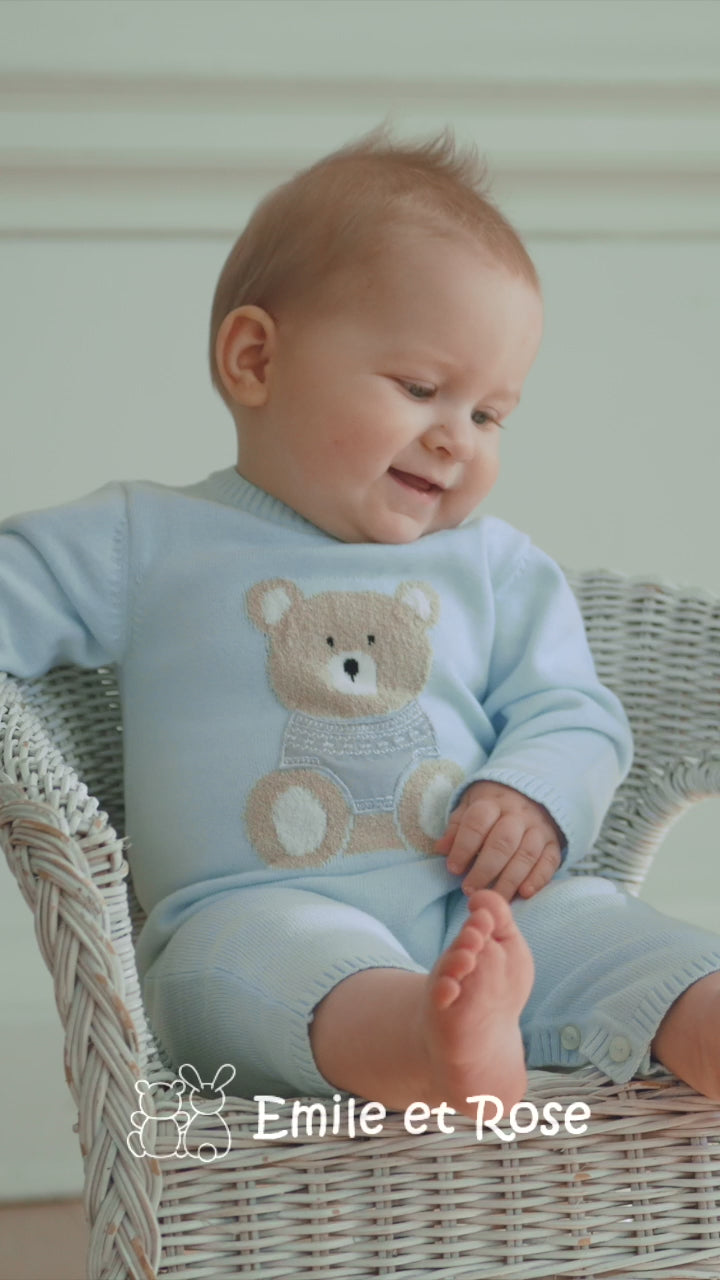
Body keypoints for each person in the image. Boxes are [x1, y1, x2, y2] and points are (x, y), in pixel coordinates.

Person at [3, 124, 720, 1121]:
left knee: (626, 940)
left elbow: (577, 710)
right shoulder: (149, 539)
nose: (456, 438)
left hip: (486, 912)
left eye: (490, 414)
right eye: (422, 389)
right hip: (253, 913)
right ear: (255, 359)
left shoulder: (493, 566)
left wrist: (533, 793)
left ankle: (698, 1016)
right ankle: (430, 1043)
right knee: (248, 971)